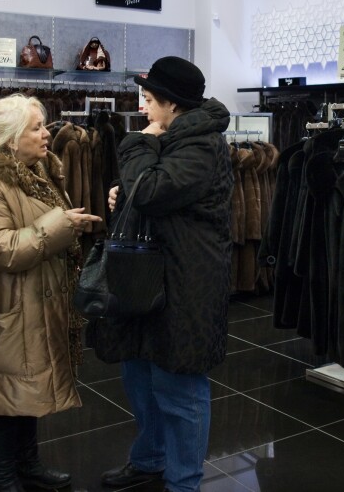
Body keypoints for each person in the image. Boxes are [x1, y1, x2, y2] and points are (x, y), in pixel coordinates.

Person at [86, 56, 235, 492]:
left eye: (149, 100)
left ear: (171, 103)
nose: (144, 110)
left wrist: (135, 146)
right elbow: (150, 192)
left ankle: (183, 482)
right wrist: (124, 193)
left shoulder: (201, 145)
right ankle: (150, 459)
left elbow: (152, 189)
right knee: (139, 373)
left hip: (186, 280)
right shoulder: (174, 139)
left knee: (179, 383)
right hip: (149, 273)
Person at [0, 94, 101, 492]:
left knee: (28, 386)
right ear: (10, 138)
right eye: (36, 127)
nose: (46, 134)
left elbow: (39, 229)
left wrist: (69, 225)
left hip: (37, 301)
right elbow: (1, 249)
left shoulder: (40, 173)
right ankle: (2, 479)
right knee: (3, 395)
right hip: (6, 305)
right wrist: (61, 225)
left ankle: (28, 465)